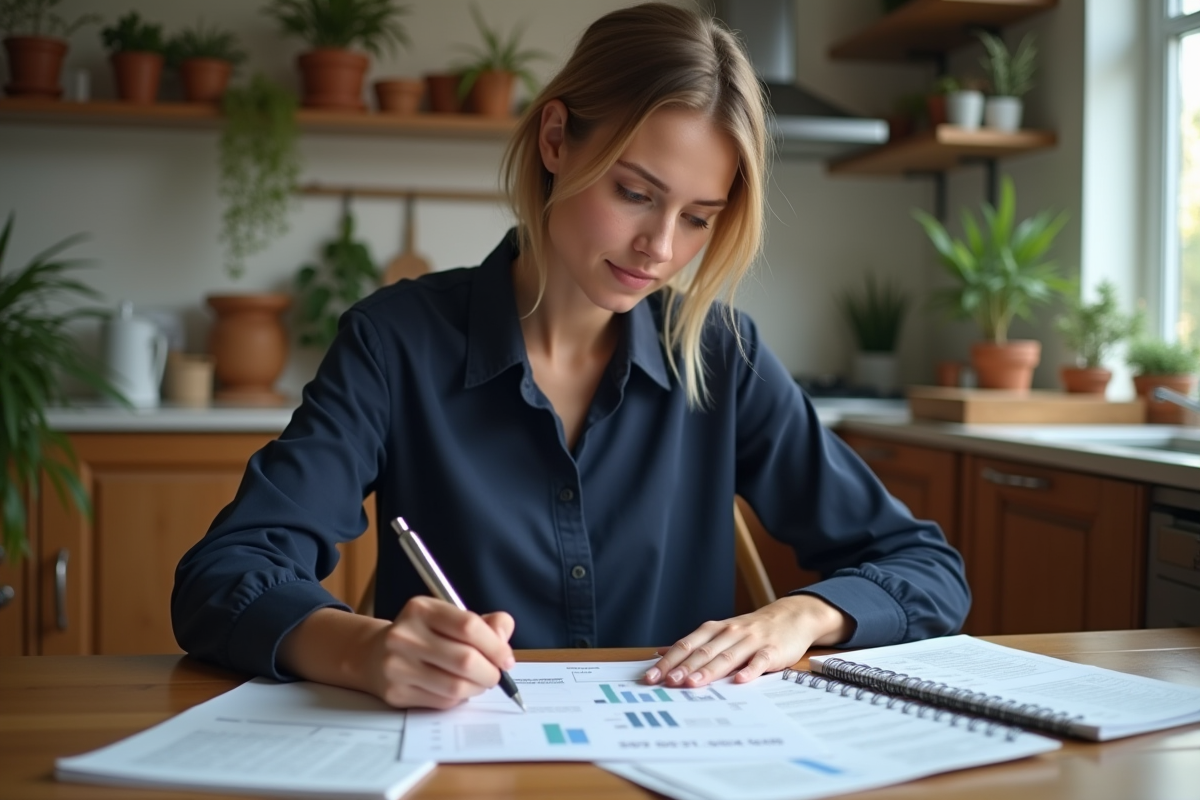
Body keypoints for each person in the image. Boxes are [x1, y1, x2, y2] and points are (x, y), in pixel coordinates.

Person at [172, 2, 969, 711]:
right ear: (556, 139)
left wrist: (804, 614)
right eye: (634, 192)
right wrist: (364, 649)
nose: (659, 248)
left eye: (698, 217)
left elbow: (924, 567)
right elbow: (225, 574)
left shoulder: (723, 356)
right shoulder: (396, 341)